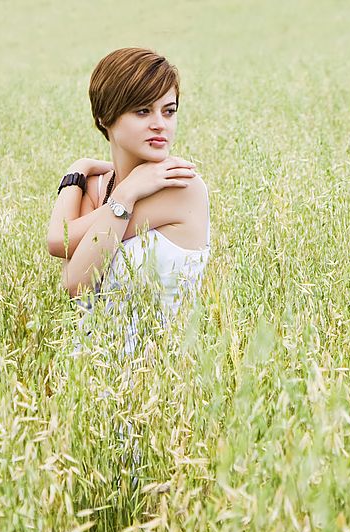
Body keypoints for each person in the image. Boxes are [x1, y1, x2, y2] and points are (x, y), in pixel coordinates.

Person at [46, 47, 211, 361]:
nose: (160, 124)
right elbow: (60, 242)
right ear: (105, 117)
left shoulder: (180, 186)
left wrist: (123, 198)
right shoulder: (97, 186)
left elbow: (76, 282)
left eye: (169, 111)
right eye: (142, 111)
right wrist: (77, 170)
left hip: (158, 377)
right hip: (87, 373)